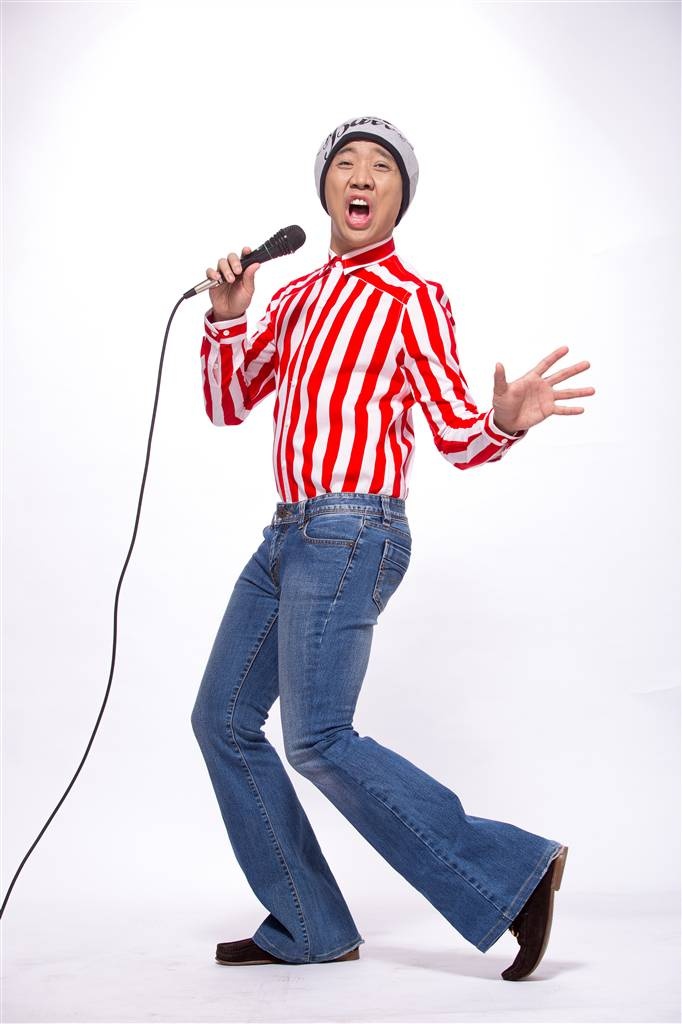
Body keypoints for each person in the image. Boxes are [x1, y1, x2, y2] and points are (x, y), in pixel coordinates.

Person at [191, 115, 594, 980]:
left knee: (318, 737)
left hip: (352, 530)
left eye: (382, 167)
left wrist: (503, 421)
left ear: (399, 197)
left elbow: (457, 434)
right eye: (346, 163)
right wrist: (228, 320)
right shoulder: (293, 298)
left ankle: (513, 874)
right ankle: (310, 923)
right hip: (284, 534)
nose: (362, 176)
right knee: (221, 719)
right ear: (326, 188)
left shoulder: (411, 298)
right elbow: (227, 404)